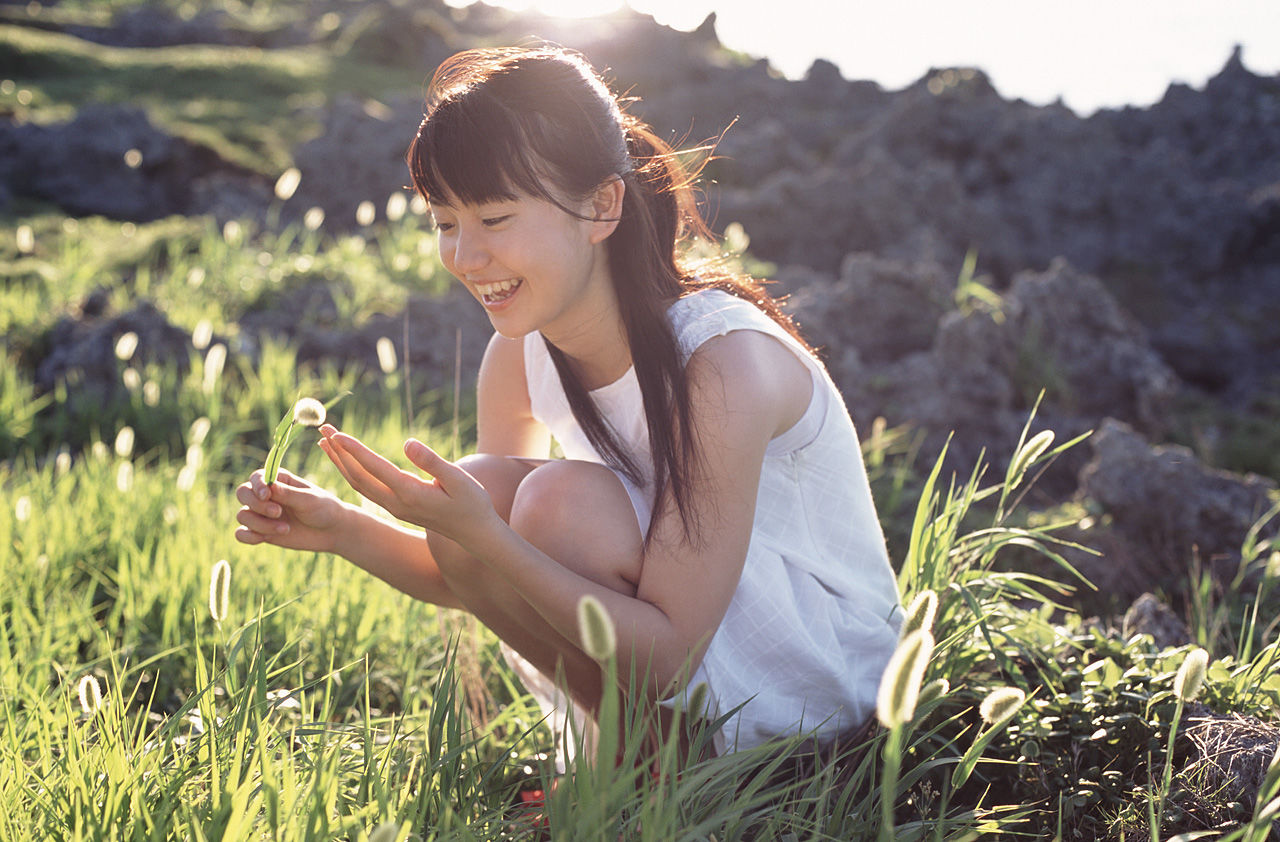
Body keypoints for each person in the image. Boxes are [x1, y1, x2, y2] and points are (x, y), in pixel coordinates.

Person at [235, 46, 902, 762]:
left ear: (601, 205)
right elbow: (488, 575)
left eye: (494, 218)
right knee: (489, 487)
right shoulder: (519, 354)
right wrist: (344, 529)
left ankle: (661, 765)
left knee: (552, 503)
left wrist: (487, 535)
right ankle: (641, 761)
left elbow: (668, 652)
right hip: (683, 657)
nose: (464, 256)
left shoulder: (720, 363)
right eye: (444, 222)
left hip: (821, 683)